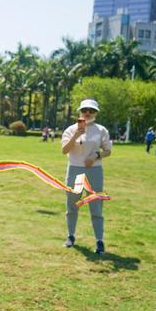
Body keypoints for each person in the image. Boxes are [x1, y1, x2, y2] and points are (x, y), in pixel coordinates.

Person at [61, 99, 112, 254]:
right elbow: (64, 150)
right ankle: (70, 236)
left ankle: (99, 241)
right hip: (75, 170)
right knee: (72, 203)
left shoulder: (101, 130)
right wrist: (77, 133)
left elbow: (108, 150)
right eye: (85, 110)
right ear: (80, 112)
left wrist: (96, 155)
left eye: (91, 110)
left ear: (95, 112)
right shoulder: (70, 129)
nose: (88, 113)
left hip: (94, 170)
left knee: (96, 205)